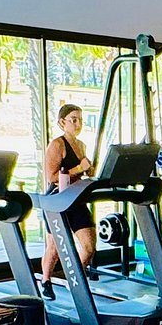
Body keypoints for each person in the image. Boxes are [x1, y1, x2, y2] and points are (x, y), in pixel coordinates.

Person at [41, 103, 95, 293]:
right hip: (57, 200)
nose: (78, 124)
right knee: (54, 248)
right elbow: (52, 176)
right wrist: (79, 168)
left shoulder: (81, 145)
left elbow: (85, 172)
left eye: (80, 120)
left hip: (76, 199)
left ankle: (74, 279)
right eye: (73, 120)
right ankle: (46, 281)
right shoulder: (57, 145)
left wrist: (89, 169)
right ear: (62, 122)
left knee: (89, 247)